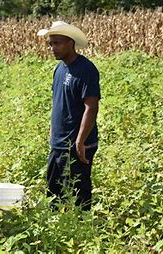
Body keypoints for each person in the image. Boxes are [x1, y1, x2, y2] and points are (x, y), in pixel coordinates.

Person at [37, 21, 101, 211]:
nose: (52, 48)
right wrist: (53, 135)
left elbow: (91, 108)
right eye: (51, 44)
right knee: (54, 194)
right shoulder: (59, 69)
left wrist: (80, 142)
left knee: (78, 195)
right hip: (58, 144)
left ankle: (82, 233)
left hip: (76, 145)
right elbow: (59, 104)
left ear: (70, 43)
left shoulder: (86, 70)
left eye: (57, 43)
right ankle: (58, 230)